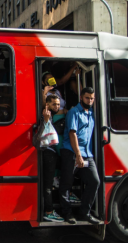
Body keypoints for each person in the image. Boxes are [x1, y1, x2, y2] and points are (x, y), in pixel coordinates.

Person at [59, 87, 101, 225]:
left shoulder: (92, 113)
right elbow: (72, 134)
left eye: (92, 98)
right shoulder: (74, 112)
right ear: (81, 98)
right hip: (72, 153)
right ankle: (67, 213)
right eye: (87, 98)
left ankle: (85, 213)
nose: (90, 100)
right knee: (66, 184)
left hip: (87, 154)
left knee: (95, 181)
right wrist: (78, 155)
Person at [42, 95, 64, 222]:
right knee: (48, 185)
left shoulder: (49, 114)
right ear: (48, 104)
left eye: (58, 104)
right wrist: (46, 120)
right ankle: (49, 211)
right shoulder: (45, 115)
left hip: (52, 152)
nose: (57, 107)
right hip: (48, 152)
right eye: (54, 104)